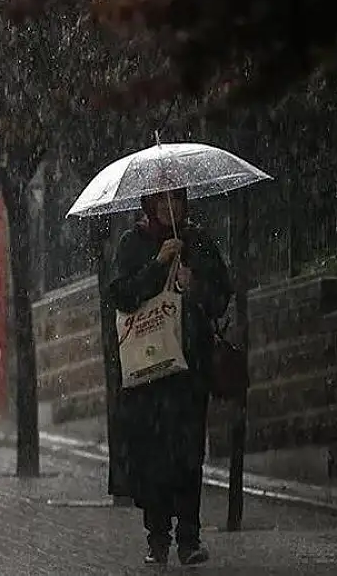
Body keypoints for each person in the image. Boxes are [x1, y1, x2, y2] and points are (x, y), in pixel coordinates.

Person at [109, 187, 232, 567]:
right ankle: (157, 536)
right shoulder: (134, 243)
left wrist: (194, 284)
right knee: (153, 456)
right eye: (160, 200)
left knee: (189, 453)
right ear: (149, 204)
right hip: (148, 372)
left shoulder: (196, 241)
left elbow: (220, 298)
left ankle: (189, 537)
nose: (168, 207)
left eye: (175, 199)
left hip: (188, 370)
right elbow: (122, 295)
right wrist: (157, 266)